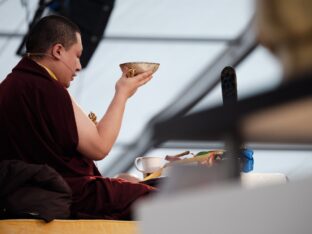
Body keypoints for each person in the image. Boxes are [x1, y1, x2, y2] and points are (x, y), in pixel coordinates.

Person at [0, 15, 156, 220]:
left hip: (26, 195)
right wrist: (122, 94)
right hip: (68, 195)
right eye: (77, 56)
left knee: (144, 184)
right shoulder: (47, 88)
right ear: (57, 51)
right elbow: (100, 147)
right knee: (162, 198)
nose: (79, 66)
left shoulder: (8, 87)